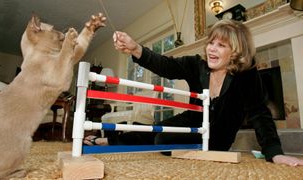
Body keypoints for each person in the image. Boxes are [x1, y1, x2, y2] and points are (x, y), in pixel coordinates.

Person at [84, 19, 303, 166]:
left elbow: (260, 113)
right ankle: (111, 141)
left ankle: (114, 140)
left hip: (215, 138)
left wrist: (275, 153)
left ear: (235, 51)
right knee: (155, 129)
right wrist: (135, 48)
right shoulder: (196, 65)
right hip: (190, 121)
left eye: (221, 45)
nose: (211, 49)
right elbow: (164, 65)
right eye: (211, 42)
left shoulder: (246, 74)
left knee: (161, 139)